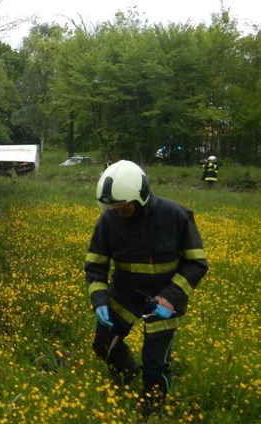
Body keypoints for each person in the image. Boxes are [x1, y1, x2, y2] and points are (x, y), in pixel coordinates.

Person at [84, 160, 208, 414]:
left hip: (164, 299)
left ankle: (152, 411)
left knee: (155, 364)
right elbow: (95, 266)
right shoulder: (108, 220)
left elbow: (196, 263)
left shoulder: (175, 216)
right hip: (125, 294)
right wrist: (99, 300)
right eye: (113, 207)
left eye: (123, 207)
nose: (117, 212)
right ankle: (128, 374)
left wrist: (170, 298)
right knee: (103, 343)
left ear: (140, 197)